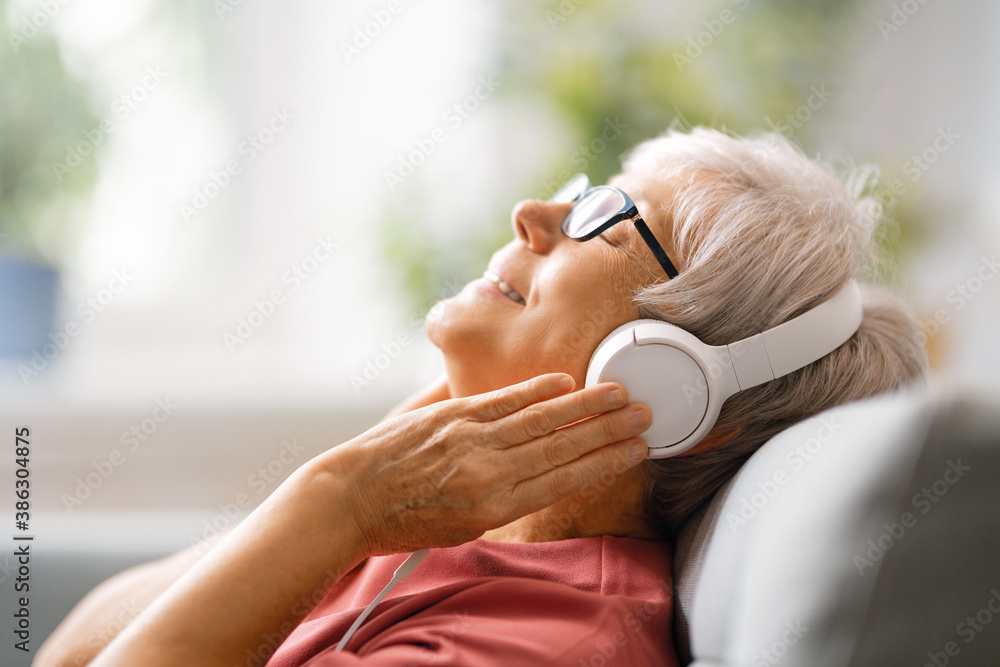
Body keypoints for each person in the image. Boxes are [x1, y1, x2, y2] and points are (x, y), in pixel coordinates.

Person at [35, 127, 927, 667]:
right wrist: (361, 479)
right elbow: (69, 650)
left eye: (603, 219)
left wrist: (335, 502)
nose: (533, 213)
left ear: (668, 384)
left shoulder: (538, 641)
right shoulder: (424, 517)